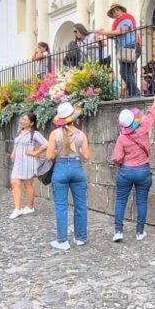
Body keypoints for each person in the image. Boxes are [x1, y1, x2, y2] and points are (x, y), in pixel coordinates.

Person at [111, 86, 155, 242]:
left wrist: (121, 164)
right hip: (143, 170)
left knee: (120, 200)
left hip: (125, 171)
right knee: (141, 201)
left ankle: (118, 231)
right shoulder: (143, 129)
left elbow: (116, 157)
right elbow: (152, 112)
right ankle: (140, 232)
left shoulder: (122, 138)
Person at [46, 102, 90, 250]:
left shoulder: (54, 134)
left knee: (61, 206)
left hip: (60, 169)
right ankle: (81, 237)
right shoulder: (81, 134)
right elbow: (87, 156)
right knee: (81, 205)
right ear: (73, 117)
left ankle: (63, 240)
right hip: (77, 169)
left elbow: (49, 156)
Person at [8, 113, 48, 219]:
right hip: (18, 162)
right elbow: (16, 144)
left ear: (32, 123)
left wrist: (35, 152)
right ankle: (17, 208)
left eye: (25, 120)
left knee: (27, 184)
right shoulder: (20, 132)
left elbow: (46, 144)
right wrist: (13, 153)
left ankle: (30, 206)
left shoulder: (34, 134)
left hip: (28, 161)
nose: (23, 121)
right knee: (14, 182)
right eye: (23, 119)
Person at [99, 3, 142, 97]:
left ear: (122, 10)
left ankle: (136, 92)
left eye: (117, 10)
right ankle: (133, 93)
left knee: (124, 72)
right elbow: (114, 35)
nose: (116, 13)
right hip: (126, 48)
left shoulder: (126, 18)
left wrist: (106, 32)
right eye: (113, 12)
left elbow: (123, 30)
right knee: (129, 72)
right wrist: (106, 33)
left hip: (130, 46)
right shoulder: (117, 23)